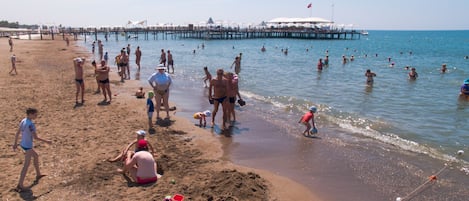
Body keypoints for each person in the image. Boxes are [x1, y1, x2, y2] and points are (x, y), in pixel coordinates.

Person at [13, 108, 52, 191]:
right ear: (30, 114)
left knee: (36, 156)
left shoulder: (23, 120)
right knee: (26, 165)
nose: (36, 116)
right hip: (28, 146)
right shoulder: (30, 124)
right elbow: (35, 137)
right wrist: (47, 141)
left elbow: (17, 132)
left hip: (23, 143)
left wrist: (15, 143)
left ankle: (38, 174)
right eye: (35, 114)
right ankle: (20, 185)